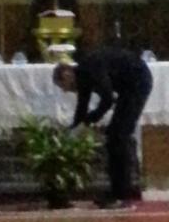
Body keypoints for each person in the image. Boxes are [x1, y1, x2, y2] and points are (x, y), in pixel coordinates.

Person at [53, 44, 152, 204]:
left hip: (138, 82)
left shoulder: (90, 68)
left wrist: (90, 119)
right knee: (114, 136)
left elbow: (107, 99)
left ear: (67, 74)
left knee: (119, 136)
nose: (65, 91)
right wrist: (73, 130)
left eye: (62, 85)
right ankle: (118, 190)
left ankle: (122, 192)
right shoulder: (83, 77)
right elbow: (82, 106)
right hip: (127, 87)